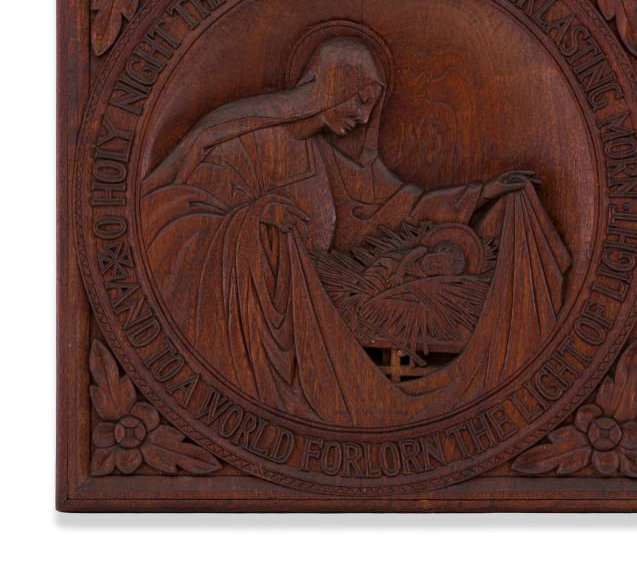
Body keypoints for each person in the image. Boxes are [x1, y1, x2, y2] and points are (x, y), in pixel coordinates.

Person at [141, 32, 570, 425]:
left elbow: (400, 206)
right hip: (245, 327)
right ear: (330, 86)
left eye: (370, 106)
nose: (364, 118)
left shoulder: (325, 158)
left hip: (307, 319)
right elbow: (182, 220)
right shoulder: (242, 141)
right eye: (358, 100)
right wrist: (256, 219)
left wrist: (485, 192)